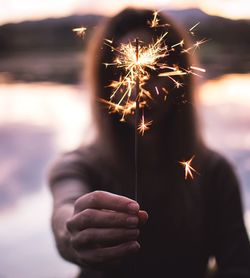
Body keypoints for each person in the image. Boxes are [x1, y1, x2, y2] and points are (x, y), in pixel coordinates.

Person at [48, 8, 250, 278]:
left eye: (155, 70)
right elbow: (66, 210)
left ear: (179, 80)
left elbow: (238, 266)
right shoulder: (78, 165)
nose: (137, 89)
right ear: (105, 83)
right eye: (123, 72)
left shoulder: (214, 172)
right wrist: (73, 233)